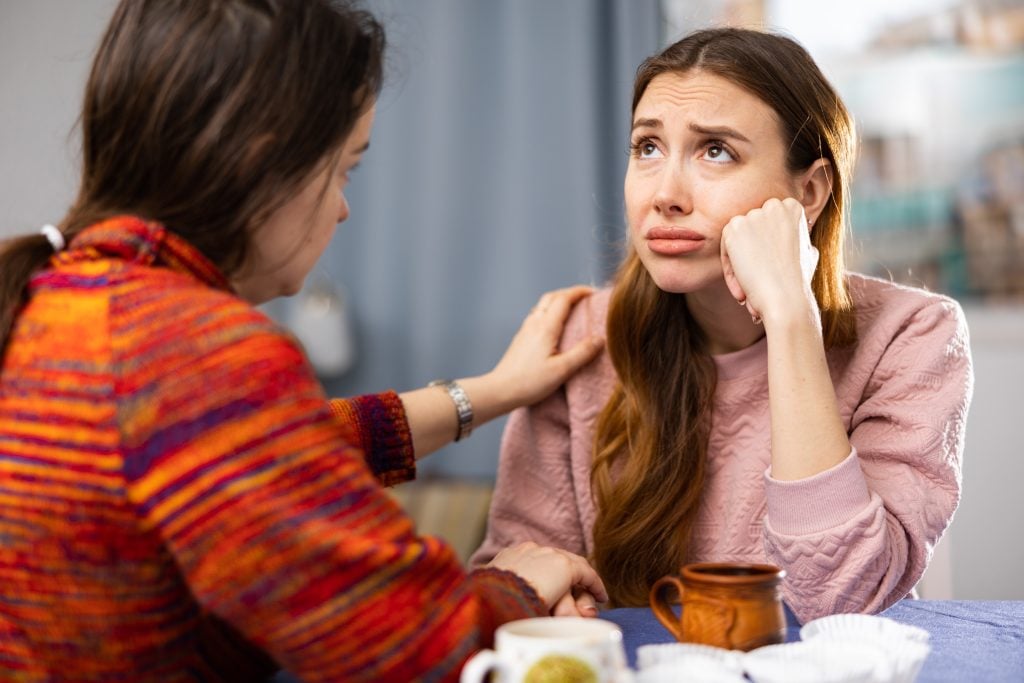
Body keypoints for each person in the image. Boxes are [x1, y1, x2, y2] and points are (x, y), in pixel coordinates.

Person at [0, 0, 608, 680]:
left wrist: (493, 391)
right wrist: (519, 583)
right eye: (344, 169)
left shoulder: (62, 303)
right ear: (265, 160)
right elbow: (411, 645)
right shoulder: (188, 348)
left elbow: (289, 440)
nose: (344, 207)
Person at [472, 27, 973, 623]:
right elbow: (514, 577)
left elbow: (842, 598)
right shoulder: (580, 334)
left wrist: (791, 319)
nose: (665, 194)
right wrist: (553, 601)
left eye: (716, 151)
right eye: (647, 148)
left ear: (808, 192)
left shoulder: (912, 335)